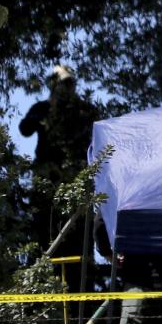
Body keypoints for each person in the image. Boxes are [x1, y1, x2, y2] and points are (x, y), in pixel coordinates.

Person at [20, 65, 98, 255]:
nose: (67, 87)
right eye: (64, 83)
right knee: (45, 228)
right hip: (48, 179)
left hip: (77, 178)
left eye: (70, 83)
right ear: (54, 86)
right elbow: (25, 129)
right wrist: (41, 115)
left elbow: (99, 140)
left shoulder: (85, 111)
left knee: (79, 230)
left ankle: (82, 274)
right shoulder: (42, 108)